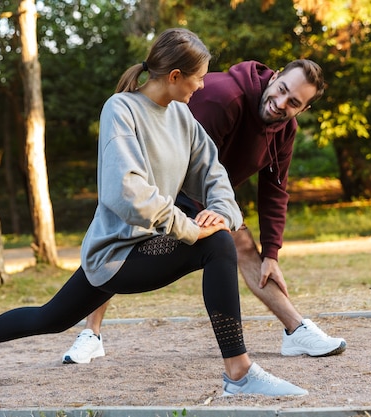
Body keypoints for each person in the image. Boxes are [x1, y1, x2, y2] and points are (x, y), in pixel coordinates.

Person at [0, 28, 307, 397]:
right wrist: (188, 227)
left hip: (151, 244)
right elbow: (126, 191)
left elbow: (214, 174)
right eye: (197, 78)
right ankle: (239, 374)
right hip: (116, 253)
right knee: (217, 247)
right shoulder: (121, 110)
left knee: (51, 317)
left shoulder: (182, 117)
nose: (201, 86)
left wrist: (222, 213)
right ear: (175, 76)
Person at [62, 58, 347, 365]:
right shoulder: (223, 98)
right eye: (281, 90)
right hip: (156, 188)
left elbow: (275, 190)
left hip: (210, 196)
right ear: (275, 77)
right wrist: (206, 219)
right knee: (115, 250)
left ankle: (295, 330)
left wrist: (273, 253)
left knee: (245, 246)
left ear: (302, 110)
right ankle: (90, 332)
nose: (280, 103)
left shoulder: (284, 130)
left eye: (293, 102)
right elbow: (191, 161)